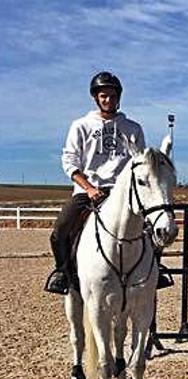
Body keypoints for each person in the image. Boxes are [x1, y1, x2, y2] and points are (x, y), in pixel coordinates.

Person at [44, 71, 173, 294]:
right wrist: (89, 188)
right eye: (103, 96)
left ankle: (156, 269)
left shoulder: (133, 128)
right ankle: (62, 273)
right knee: (61, 229)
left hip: (124, 192)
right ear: (96, 98)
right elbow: (70, 161)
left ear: (118, 97)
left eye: (112, 96)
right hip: (89, 190)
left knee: (152, 226)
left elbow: (142, 163)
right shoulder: (81, 126)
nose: (108, 100)